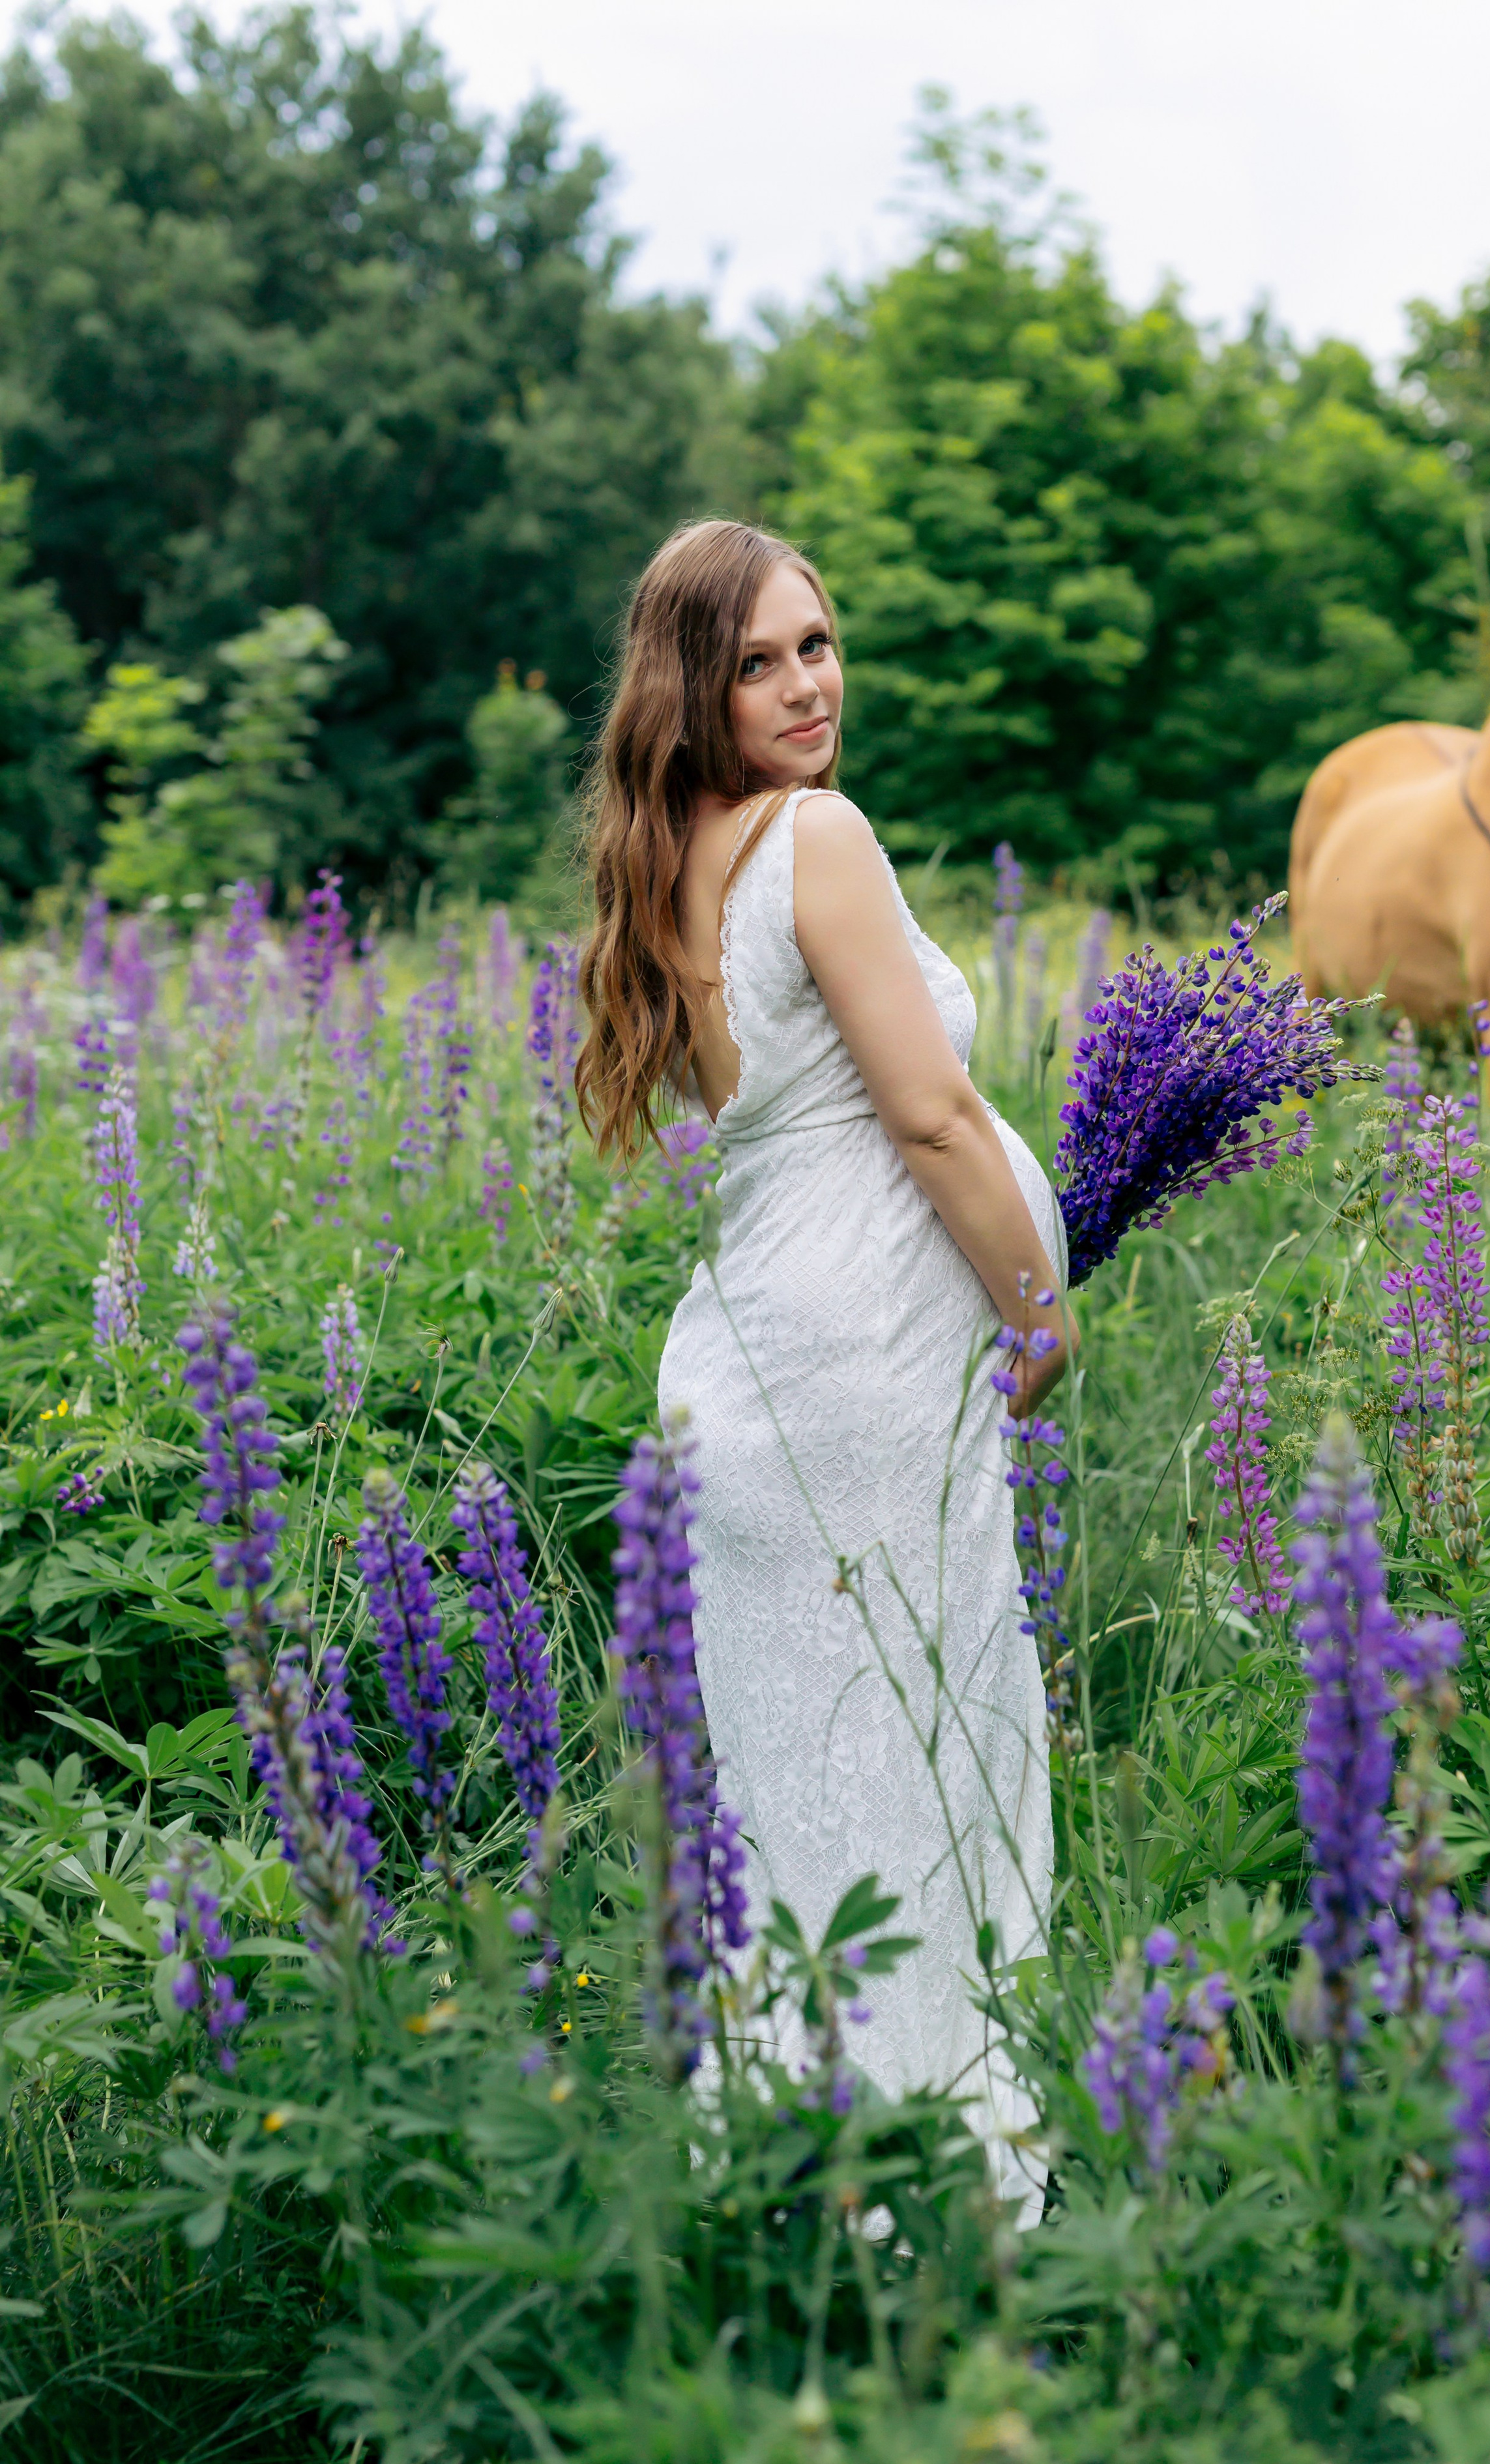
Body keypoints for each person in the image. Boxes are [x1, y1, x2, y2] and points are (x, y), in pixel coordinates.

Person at [577, 518, 1071, 2212]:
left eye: (820, 644)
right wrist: (1036, 1305)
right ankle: (951, 2211)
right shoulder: (818, 837)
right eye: (760, 660)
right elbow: (929, 1116)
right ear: (694, 688)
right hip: (860, 1387)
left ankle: (794, 2196)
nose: (806, 686)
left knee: (798, 1817)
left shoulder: (675, 856)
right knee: (929, 1791)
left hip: (742, 1379)